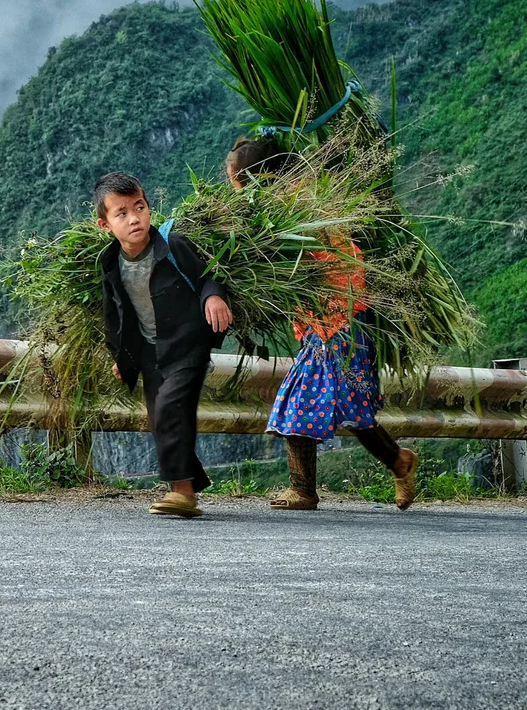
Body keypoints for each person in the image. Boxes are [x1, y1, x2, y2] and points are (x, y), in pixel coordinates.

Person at [226, 138, 419, 511]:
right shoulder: (298, 205)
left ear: (258, 180)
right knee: (352, 406)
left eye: (236, 181)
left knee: (298, 402)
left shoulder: (291, 213)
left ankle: (303, 490)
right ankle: (399, 461)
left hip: (340, 320)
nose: (233, 189)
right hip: (332, 320)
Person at [95, 171, 234, 518]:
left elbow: (208, 274)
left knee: (171, 408)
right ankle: (186, 482)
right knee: (161, 418)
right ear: (104, 225)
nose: (134, 218)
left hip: (188, 342)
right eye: (121, 213)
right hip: (149, 351)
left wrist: (213, 298)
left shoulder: (173, 246)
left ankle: (183, 494)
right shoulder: (110, 263)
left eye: (139, 207)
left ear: (149, 208)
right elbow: (115, 316)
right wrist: (122, 358)